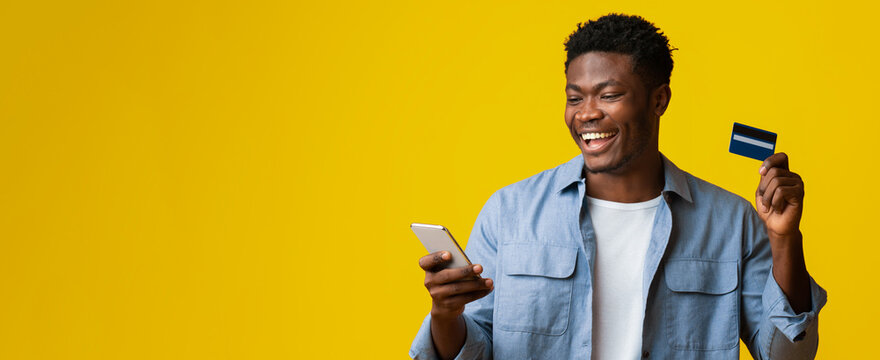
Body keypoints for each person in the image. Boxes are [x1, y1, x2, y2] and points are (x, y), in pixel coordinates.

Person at [409, 13, 827, 360]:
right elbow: (472, 351)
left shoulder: (731, 222)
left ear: (658, 100)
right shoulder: (509, 213)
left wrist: (784, 239)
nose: (587, 115)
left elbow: (788, 357)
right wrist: (446, 316)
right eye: (575, 98)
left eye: (608, 95)